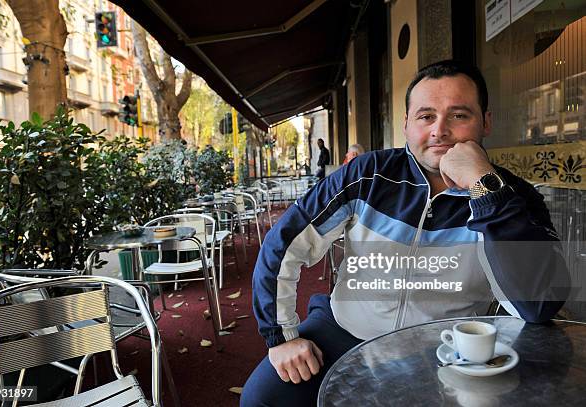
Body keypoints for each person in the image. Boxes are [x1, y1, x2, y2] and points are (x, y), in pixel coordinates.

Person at [241, 60, 569, 406]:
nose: (439, 131)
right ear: (406, 124)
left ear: (485, 121)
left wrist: (484, 189)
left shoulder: (511, 196)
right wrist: (281, 337)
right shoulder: (367, 175)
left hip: (444, 349)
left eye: (459, 116)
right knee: (261, 398)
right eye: (426, 116)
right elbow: (284, 243)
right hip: (344, 331)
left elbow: (538, 305)